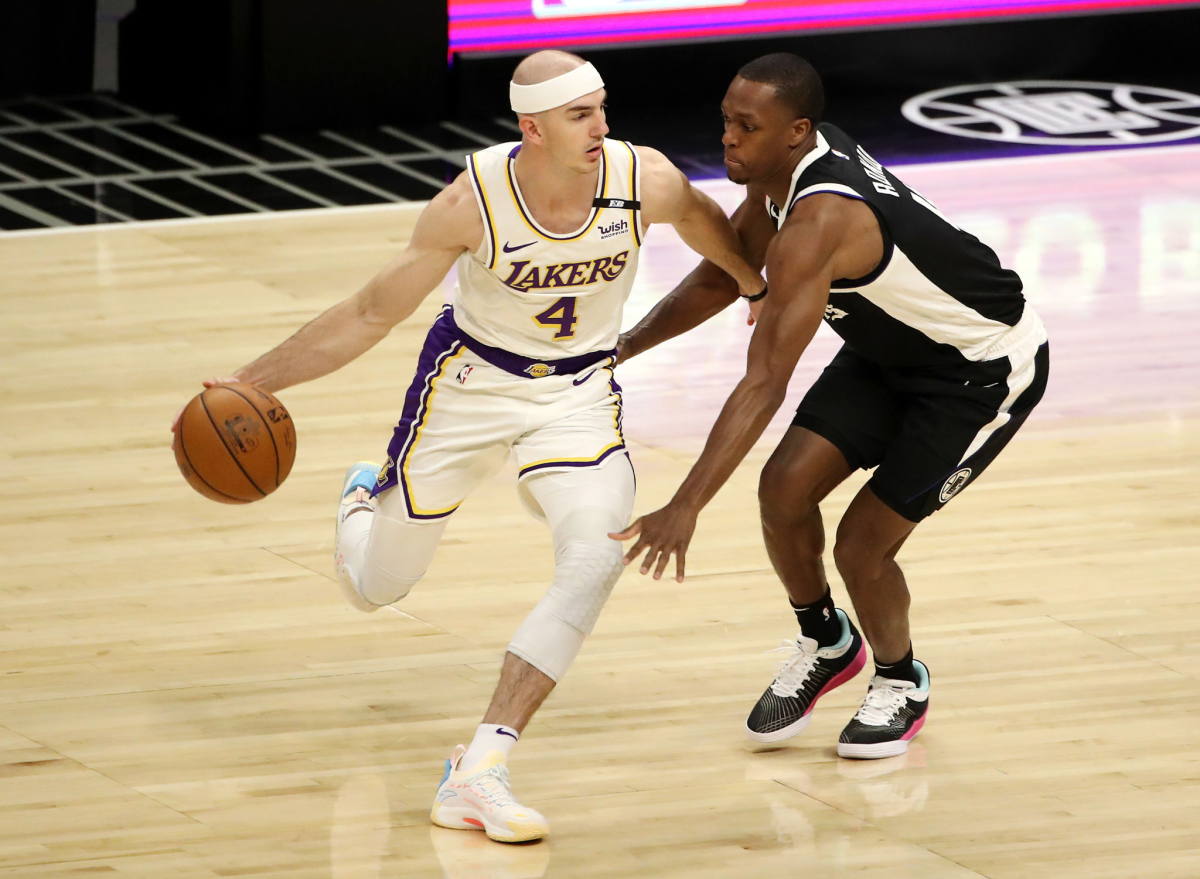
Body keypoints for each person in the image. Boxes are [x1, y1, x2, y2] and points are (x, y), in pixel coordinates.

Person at [172, 51, 765, 841]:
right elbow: (367, 314)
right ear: (532, 127)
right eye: (580, 114)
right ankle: (361, 499)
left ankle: (479, 769)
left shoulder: (642, 178)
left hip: (579, 393)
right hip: (469, 390)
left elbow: (706, 227)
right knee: (377, 587)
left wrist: (754, 285)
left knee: (594, 557)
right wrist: (249, 382)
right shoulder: (471, 202)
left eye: (602, 107)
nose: (602, 125)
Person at [612, 53, 1048, 759]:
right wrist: (624, 346)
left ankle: (901, 678)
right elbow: (726, 275)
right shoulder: (781, 173)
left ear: (797, 131)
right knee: (782, 489)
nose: (728, 137)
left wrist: (686, 502)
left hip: (978, 374)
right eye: (726, 120)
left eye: (746, 127)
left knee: (861, 544)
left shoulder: (820, 221)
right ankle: (826, 639)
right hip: (888, 351)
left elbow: (764, 382)